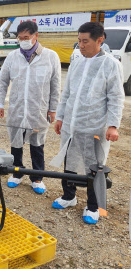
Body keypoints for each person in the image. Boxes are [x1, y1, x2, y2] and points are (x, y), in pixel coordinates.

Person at [50, 22, 124, 224]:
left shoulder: (111, 64)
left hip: (94, 125)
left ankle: (92, 206)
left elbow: (116, 97)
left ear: (100, 40)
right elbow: (67, 93)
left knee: (94, 166)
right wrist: (61, 117)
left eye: (85, 41)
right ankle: (69, 196)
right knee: (70, 160)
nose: (81, 45)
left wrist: (113, 125)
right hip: (72, 124)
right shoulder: (77, 62)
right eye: (79, 41)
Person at [0, 21, 61, 194]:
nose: (23, 41)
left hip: (38, 109)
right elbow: (2, 81)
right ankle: (17, 172)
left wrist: (53, 109)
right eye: (20, 37)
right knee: (16, 142)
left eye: (27, 37)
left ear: (36, 35)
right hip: (17, 109)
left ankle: (37, 177)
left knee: (37, 144)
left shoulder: (51, 57)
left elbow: (55, 86)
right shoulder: (12, 57)